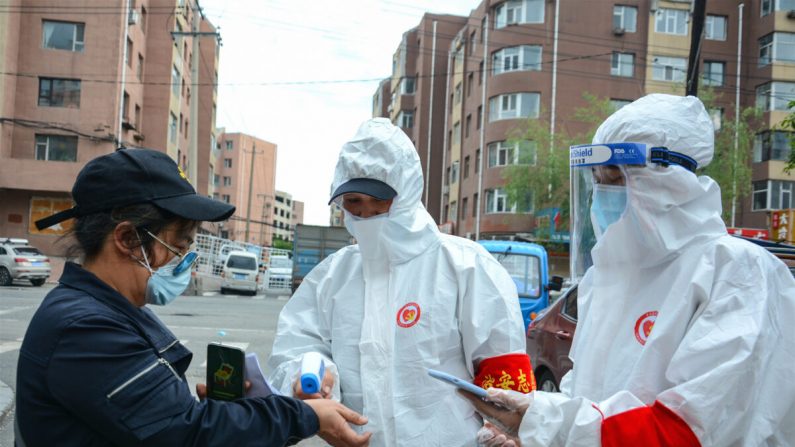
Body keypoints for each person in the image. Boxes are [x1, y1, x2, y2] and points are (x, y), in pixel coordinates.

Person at [467, 94, 795, 446]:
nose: (602, 195)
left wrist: (544, 424)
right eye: (597, 180)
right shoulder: (605, 280)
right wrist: (531, 436)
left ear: (668, 181)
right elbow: (586, 397)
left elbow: (689, 429)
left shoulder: (736, 273)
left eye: (616, 178)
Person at [16, 148, 371, 447]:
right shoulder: (86, 329)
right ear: (126, 239)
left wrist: (225, 410)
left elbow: (162, 421)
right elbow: (186, 433)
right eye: (180, 244)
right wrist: (305, 415)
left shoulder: (107, 313)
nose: (185, 259)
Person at [267, 118, 532, 446]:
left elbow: (503, 364)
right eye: (353, 202)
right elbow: (298, 344)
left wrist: (505, 431)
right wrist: (310, 374)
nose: (365, 214)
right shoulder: (330, 278)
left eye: (379, 200)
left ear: (407, 192)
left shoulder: (466, 267)